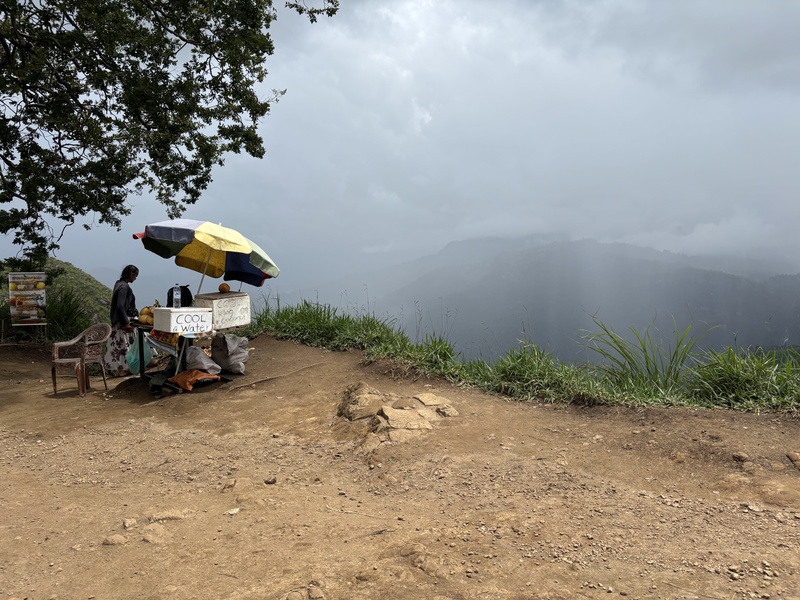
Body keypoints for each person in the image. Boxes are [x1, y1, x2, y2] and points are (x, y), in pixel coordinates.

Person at [104, 265, 139, 376]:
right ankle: (125, 368)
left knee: (122, 345)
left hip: (119, 320)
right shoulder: (124, 287)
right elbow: (120, 305)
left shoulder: (119, 284)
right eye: (135, 276)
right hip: (123, 321)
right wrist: (126, 322)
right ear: (131, 275)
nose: (135, 279)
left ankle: (124, 367)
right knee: (124, 345)